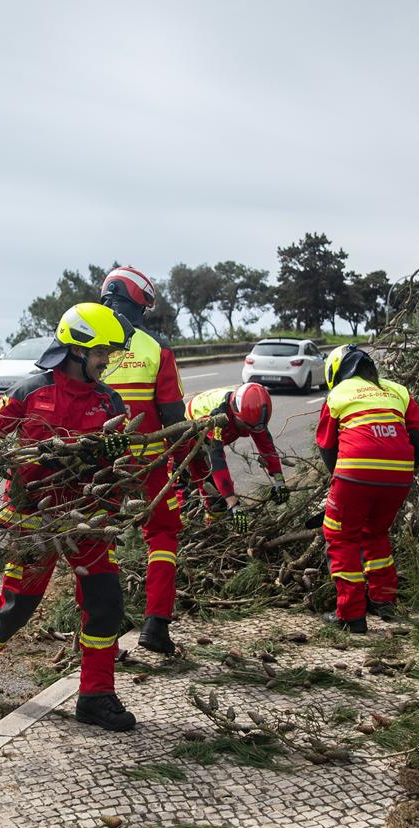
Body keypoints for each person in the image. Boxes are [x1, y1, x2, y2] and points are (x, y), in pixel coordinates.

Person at [0, 303, 138, 731]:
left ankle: (95, 696)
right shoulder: (29, 392)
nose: (107, 362)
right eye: (102, 353)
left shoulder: (109, 402)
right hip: (33, 519)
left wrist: (114, 457)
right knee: (19, 606)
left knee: (105, 603)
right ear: (76, 350)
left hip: (86, 520)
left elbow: (121, 462)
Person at [99, 266, 187, 656]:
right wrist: (182, 467)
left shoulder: (86, 338)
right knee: (163, 535)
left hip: (96, 467)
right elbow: (174, 419)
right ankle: (156, 625)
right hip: (148, 466)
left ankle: (105, 635)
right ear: (140, 301)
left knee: (99, 542)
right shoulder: (156, 348)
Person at [315, 344, 419, 633]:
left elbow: (327, 445)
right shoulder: (397, 390)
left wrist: (341, 480)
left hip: (355, 473)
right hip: (399, 476)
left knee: (341, 536)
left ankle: (351, 615)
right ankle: (384, 601)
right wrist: (405, 466)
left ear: (336, 372)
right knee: (375, 532)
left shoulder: (339, 394)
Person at [184, 382, 288, 531]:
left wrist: (279, 481)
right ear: (235, 412)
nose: (249, 430)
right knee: (201, 494)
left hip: (209, 434)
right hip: (189, 435)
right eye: (246, 426)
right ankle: (193, 533)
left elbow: (266, 445)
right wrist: (233, 503)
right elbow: (217, 461)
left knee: (218, 499)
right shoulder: (218, 418)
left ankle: (215, 528)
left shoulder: (252, 412)